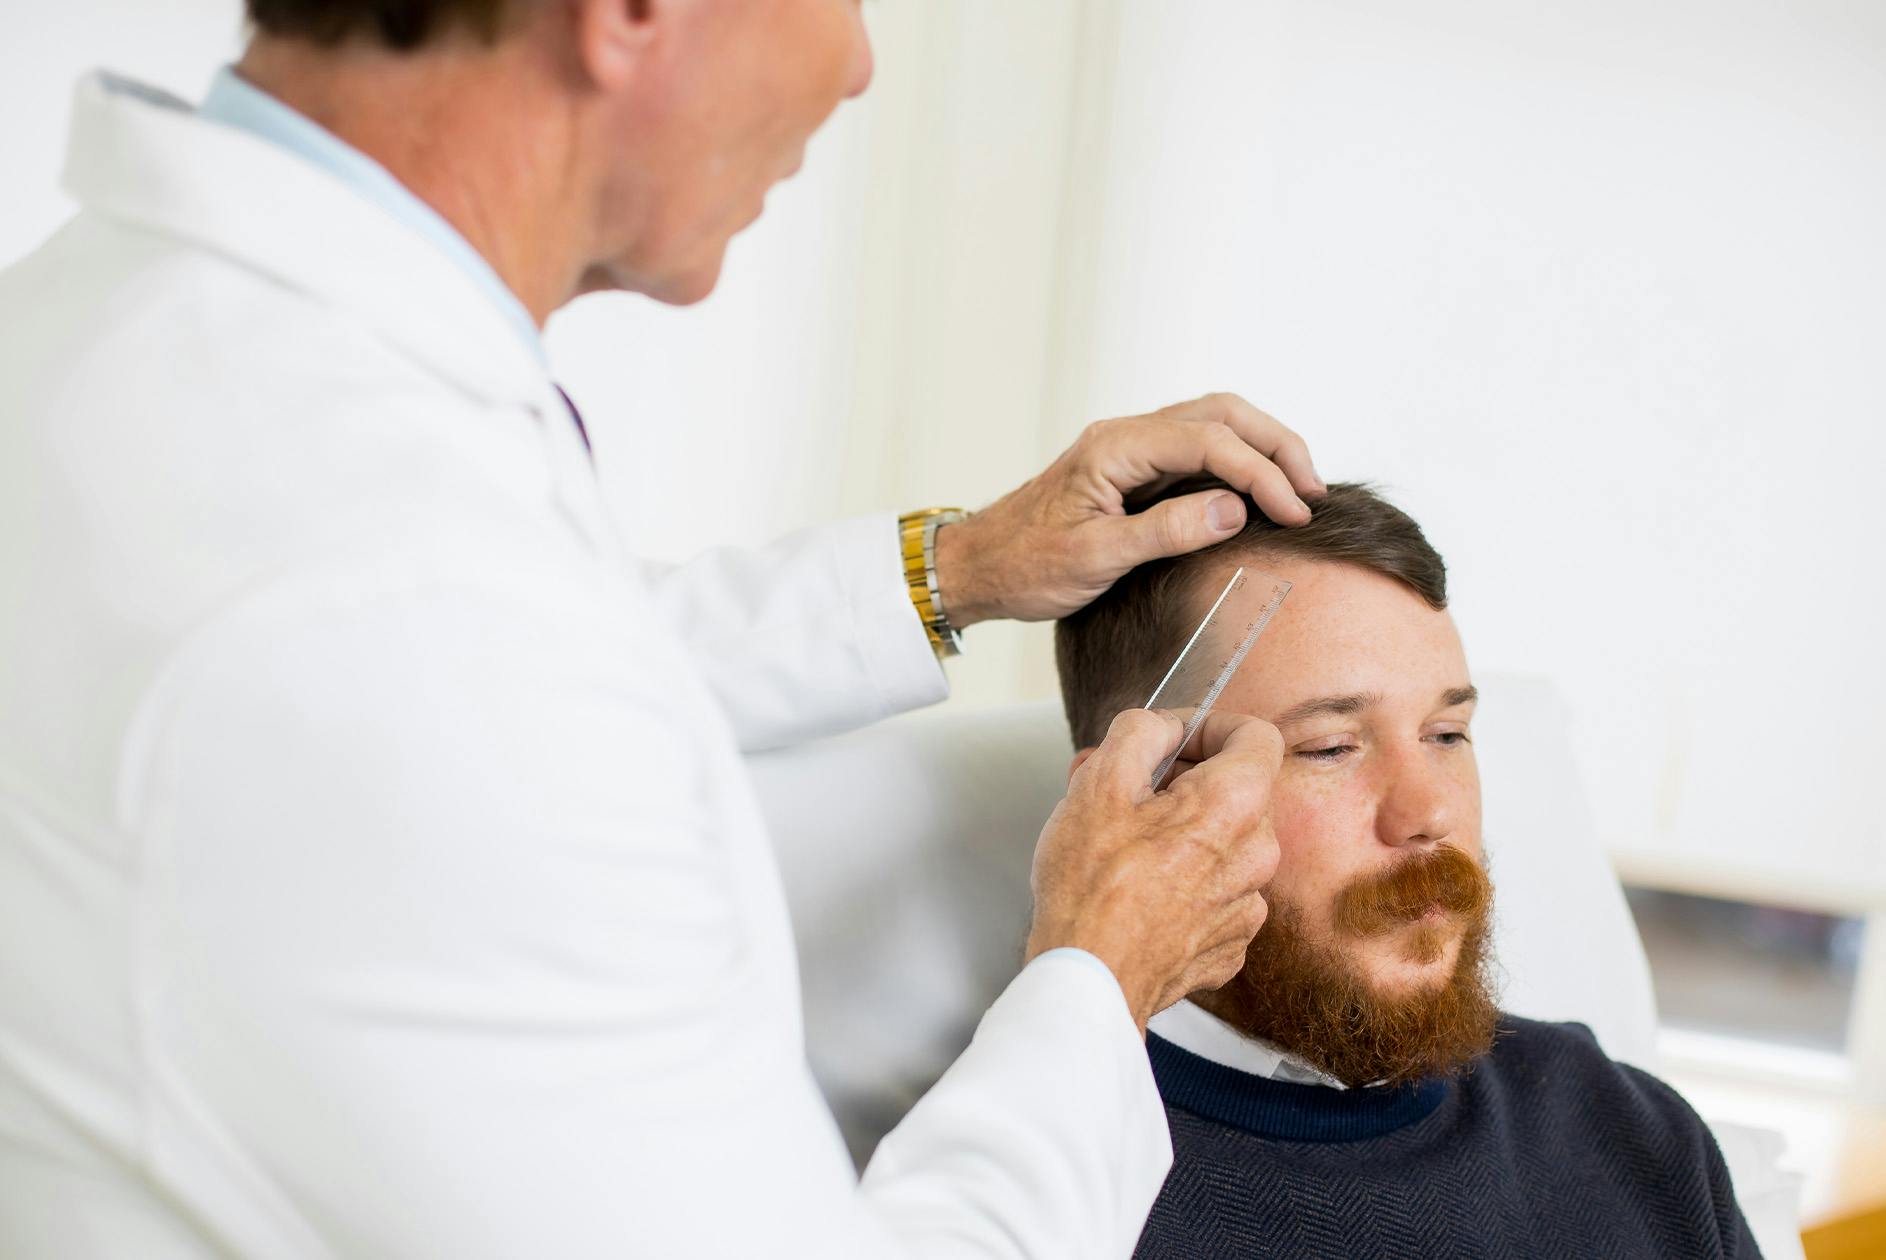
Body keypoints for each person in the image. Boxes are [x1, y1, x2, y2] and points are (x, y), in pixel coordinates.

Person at [0, 2, 1329, 1257]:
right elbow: (449, 669)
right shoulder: (387, 606)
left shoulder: (118, 345)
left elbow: (519, 651)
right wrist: (1094, 978)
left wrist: (957, 568)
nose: (857, 66)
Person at [1055, 480, 1763, 1260]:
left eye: (1448, 735)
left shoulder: (1628, 1131)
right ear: (1129, 798)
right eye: (1330, 746)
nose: (1429, 812)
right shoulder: (1032, 1194)